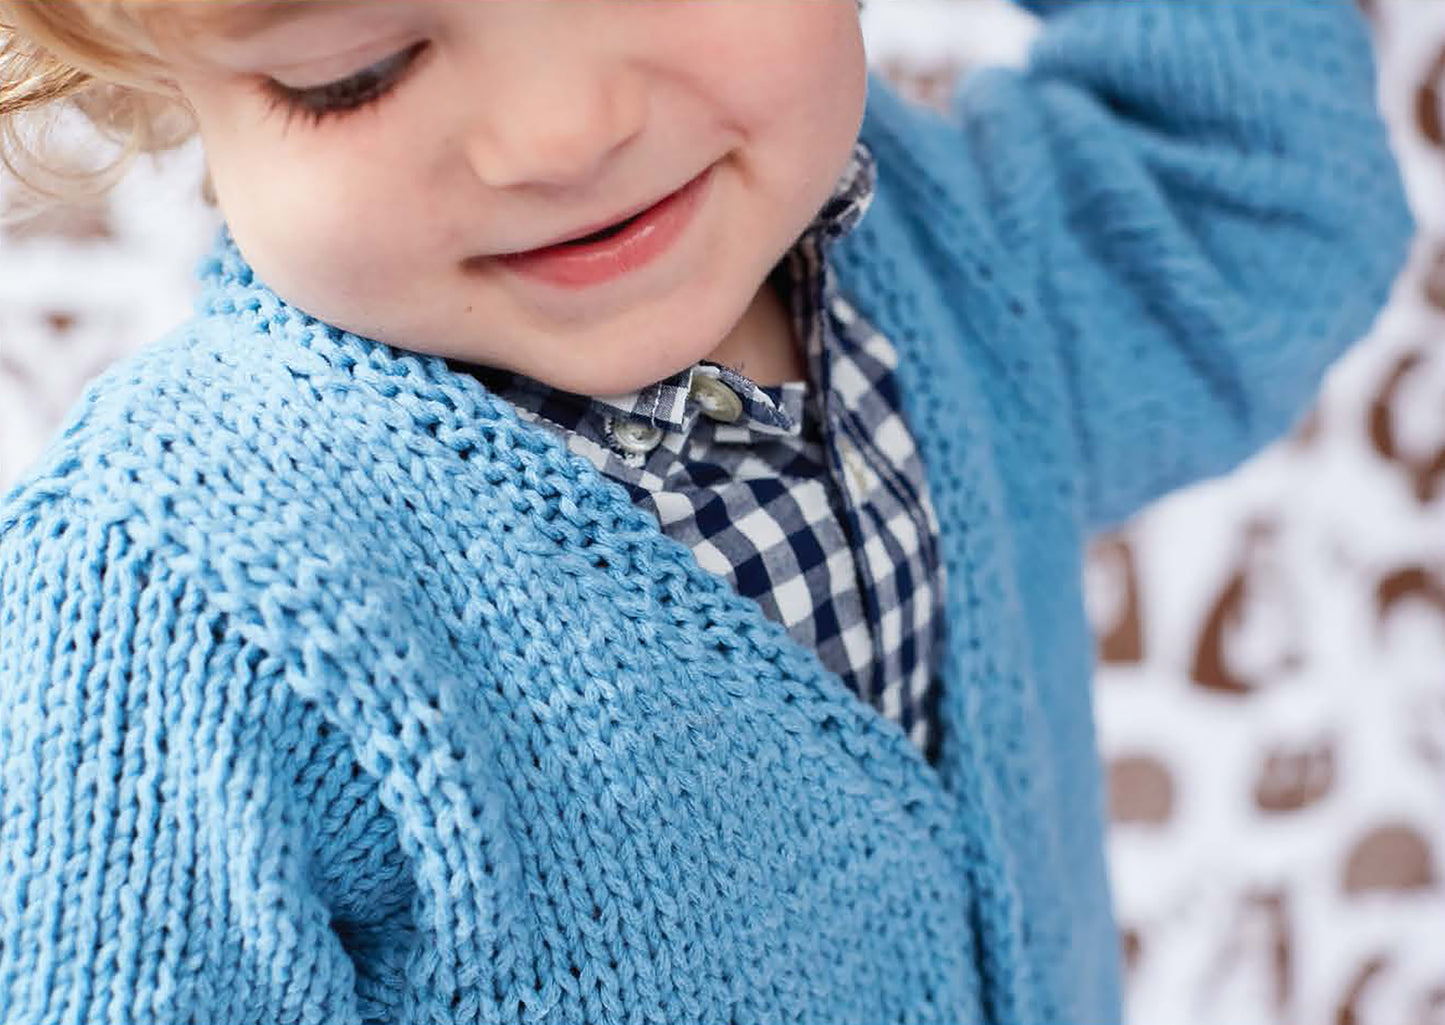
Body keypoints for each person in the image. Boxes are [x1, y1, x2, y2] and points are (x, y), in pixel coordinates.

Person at [0, 1, 1413, 1023]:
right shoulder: (176, 593)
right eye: (354, 71)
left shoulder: (957, 272)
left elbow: (1260, 197)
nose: (561, 134)